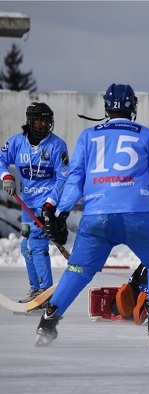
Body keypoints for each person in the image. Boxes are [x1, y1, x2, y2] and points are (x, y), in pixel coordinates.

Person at [35, 83, 149, 349]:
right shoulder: (148, 135)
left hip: (96, 215)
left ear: (106, 108)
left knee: (79, 269)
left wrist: (62, 211)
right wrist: (144, 201)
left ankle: (49, 320)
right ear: (133, 108)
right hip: (138, 211)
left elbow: (76, 176)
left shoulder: (88, 135)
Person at [0, 102, 69, 303]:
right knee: (26, 247)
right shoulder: (16, 143)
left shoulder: (57, 145)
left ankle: (45, 293)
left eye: (47, 120)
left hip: (47, 203)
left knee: (37, 245)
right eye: (39, 119)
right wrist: (6, 177)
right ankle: (35, 289)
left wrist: (50, 203)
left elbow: (63, 176)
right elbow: (1, 159)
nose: (44, 124)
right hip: (27, 203)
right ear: (30, 121)